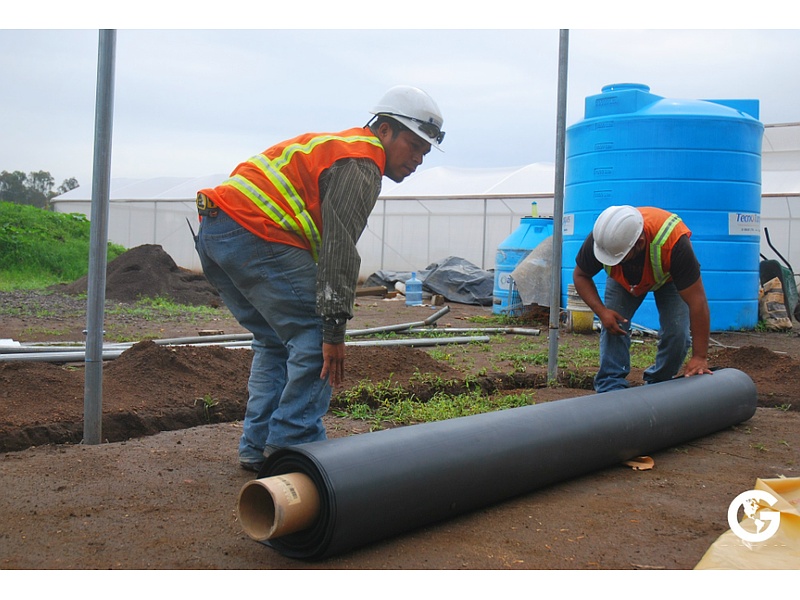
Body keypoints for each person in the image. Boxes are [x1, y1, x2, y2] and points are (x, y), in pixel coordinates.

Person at [193, 85, 445, 471]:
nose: (417, 159)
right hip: (254, 233)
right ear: (385, 129)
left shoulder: (339, 148)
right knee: (313, 339)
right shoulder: (362, 161)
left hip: (217, 233)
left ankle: (256, 446)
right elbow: (339, 248)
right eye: (413, 145)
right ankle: (292, 449)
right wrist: (333, 331)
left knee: (275, 342)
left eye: (425, 152)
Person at [572, 205, 713, 393]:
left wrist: (699, 356)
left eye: (619, 257)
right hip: (623, 282)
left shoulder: (674, 244)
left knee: (677, 333)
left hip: (668, 278)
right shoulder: (604, 240)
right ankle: (611, 384)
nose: (613, 261)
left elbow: (698, 303)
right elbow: (580, 275)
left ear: (639, 243)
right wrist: (602, 312)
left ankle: (659, 382)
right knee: (614, 324)